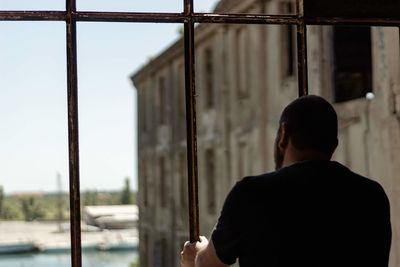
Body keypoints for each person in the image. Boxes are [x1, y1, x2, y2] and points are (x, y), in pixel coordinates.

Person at [180, 95, 392, 267]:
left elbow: (208, 265)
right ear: (334, 144)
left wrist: (196, 257)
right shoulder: (372, 196)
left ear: (283, 134)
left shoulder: (251, 194)